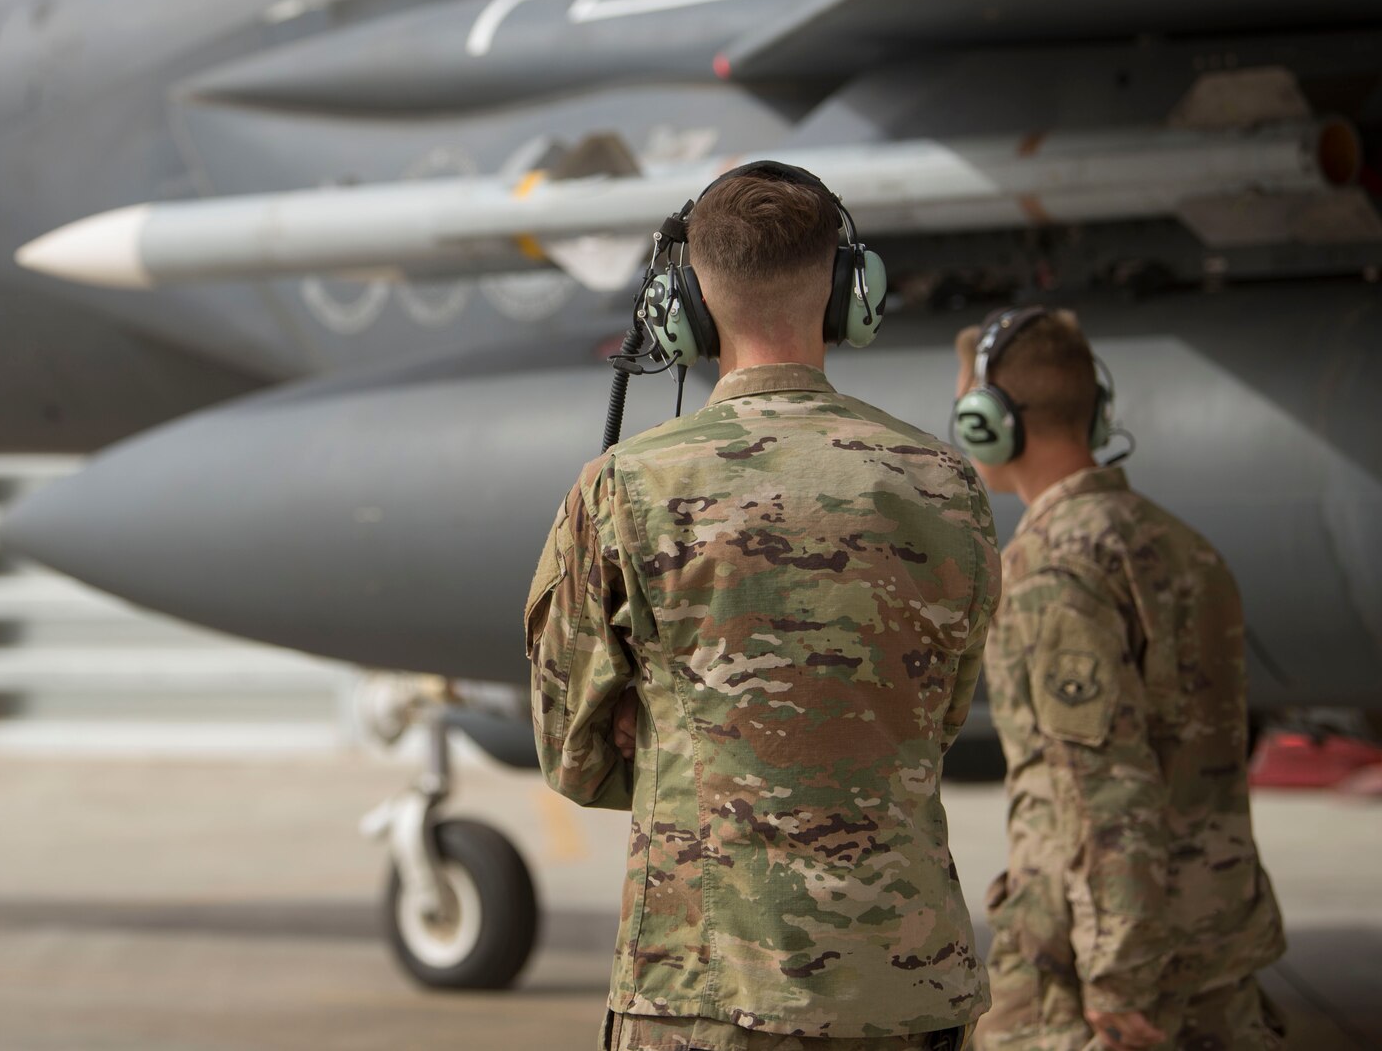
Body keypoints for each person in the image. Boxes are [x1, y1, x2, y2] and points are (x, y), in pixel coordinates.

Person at [528, 162, 1000, 1050]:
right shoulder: (945, 484)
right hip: (907, 991)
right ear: (848, 294)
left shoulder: (625, 488)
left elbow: (573, 754)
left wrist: (691, 745)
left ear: (685, 303)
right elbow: (936, 718)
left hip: (705, 990)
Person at [952, 308, 1285, 1050]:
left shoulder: (1050, 568)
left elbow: (1107, 787)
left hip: (1094, 976)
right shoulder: (1184, 546)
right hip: (1217, 951)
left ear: (992, 422)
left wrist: (1119, 982)